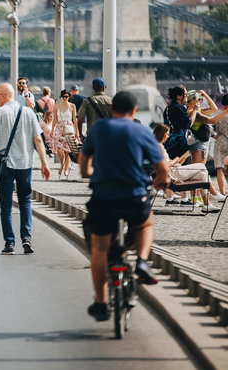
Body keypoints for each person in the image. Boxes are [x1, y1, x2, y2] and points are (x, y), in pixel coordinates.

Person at [78, 91, 169, 321]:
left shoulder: (99, 129)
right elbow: (162, 167)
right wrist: (160, 180)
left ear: (111, 110)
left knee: (99, 249)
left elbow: (83, 163)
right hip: (134, 197)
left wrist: (89, 172)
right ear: (135, 111)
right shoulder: (142, 130)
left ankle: (100, 303)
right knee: (146, 223)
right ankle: (141, 262)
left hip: (104, 198)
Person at [0, 83, 51, 255]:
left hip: (5, 166)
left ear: (4, 96)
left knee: (6, 204)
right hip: (25, 163)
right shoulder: (29, 113)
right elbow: (38, 140)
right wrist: (44, 163)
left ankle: (10, 243)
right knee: (25, 202)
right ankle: (26, 238)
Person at [153, 123, 222, 212]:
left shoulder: (155, 146)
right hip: (173, 173)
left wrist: (177, 161)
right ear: (161, 134)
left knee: (202, 174)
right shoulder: (159, 146)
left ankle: (207, 204)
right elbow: (164, 165)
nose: (167, 136)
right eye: (166, 134)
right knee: (201, 166)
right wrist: (175, 160)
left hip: (173, 171)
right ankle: (213, 194)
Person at [51, 90, 81, 177]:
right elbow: (55, 119)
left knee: (68, 150)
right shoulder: (57, 106)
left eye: (66, 97)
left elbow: (75, 119)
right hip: (59, 128)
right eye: (63, 96)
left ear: (69, 97)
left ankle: (66, 169)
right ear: (61, 97)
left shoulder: (72, 106)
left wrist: (77, 132)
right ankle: (62, 164)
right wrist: (52, 130)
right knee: (59, 149)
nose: (65, 98)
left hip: (69, 129)